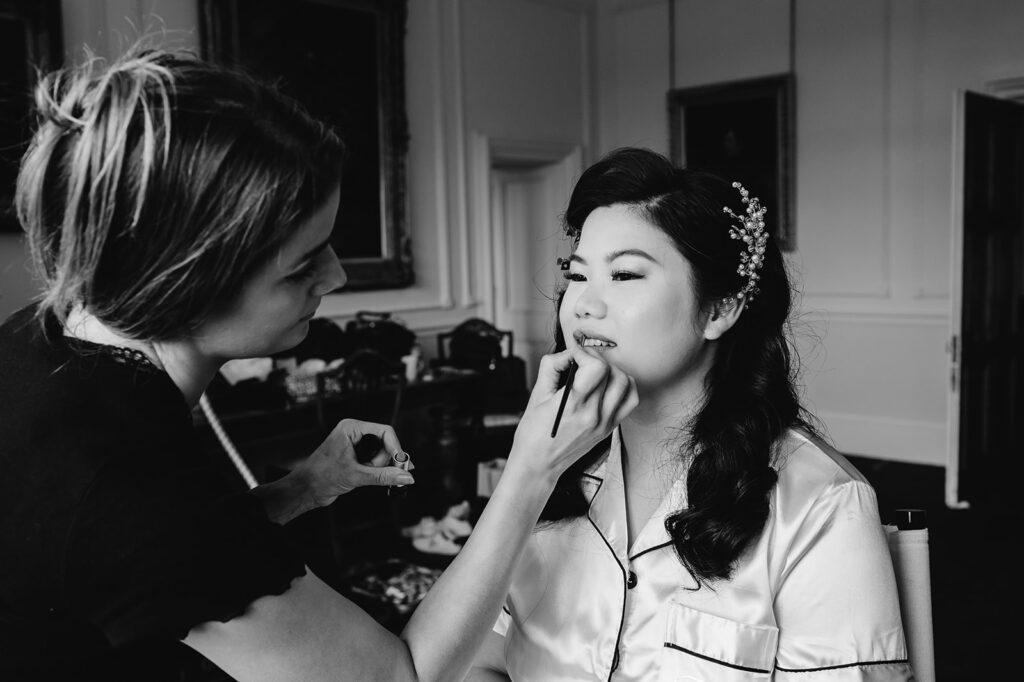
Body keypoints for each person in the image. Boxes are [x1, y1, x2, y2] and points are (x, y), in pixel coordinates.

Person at [0, 46, 639, 681]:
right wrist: (532, 467)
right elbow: (399, 676)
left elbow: (171, 559)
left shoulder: (40, 337)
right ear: (185, 284)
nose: (333, 276)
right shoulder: (123, 479)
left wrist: (305, 487)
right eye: (302, 264)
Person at [468, 148, 913, 681]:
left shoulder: (820, 507)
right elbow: (485, 661)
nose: (583, 305)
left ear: (720, 308)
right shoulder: (550, 468)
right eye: (577, 275)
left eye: (625, 275)